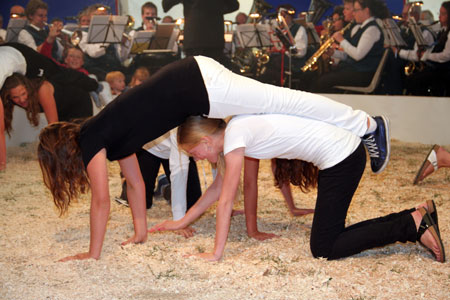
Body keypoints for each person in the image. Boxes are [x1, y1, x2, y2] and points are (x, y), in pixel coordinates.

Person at [37, 55, 389, 261]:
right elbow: (135, 184)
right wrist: (140, 233)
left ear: (61, 154)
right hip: (195, 85)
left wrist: (92, 254)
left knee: (285, 100)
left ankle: (366, 125)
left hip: (197, 84)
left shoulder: (91, 138)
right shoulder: (109, 136)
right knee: (282, 103)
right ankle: (359, 128)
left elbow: (101, 202)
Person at [150, 114, 445, 263]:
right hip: (341, 155)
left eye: (193, 153)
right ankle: (414, 216)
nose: (196, 158)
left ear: (204, 143)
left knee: (324, 248)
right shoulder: (234, 131)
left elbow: (225, 201)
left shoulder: (236, 135)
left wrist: (216, 253)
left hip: (341, 157)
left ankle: (411, 225)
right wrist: (181, 221)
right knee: (331, 236)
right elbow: (217, 190)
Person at [0, 43, 98, 171]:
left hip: (78, 101)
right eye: (15, 98)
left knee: (81, 144)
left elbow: (53, 124)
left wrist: (55, 159)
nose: (21, 100)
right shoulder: (7, 91)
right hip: (60, 103)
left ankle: (94, 86)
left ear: (28, 89)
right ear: (9, 98)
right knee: (66, 148)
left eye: (23, 94)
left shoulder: (42, 90)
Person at [311, 0, 389, 93]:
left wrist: (341, 40)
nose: (354, 13)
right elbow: (350, 55)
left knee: (323, 82)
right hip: (356, 70)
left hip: (364, 73)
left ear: (366, 11)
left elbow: (357, 55)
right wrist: (334, 53)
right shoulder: (363, 28)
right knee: (317, 78)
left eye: (356, 10)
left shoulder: (372, 29)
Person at [162, 0, 239, 65]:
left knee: (195, 76)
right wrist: (215, 8)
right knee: (213, 77)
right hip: (213, 38)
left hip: (195, 38)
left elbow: (166, 4)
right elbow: (234, 5)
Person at [404, 1, 450, 96]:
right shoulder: (443, 31)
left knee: (414, 81)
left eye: (443, 14)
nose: (439, 17)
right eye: (439, 13)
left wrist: (427, 55)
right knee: (412, 79)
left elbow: (446, 56)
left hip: (444, 71)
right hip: (438, 68)